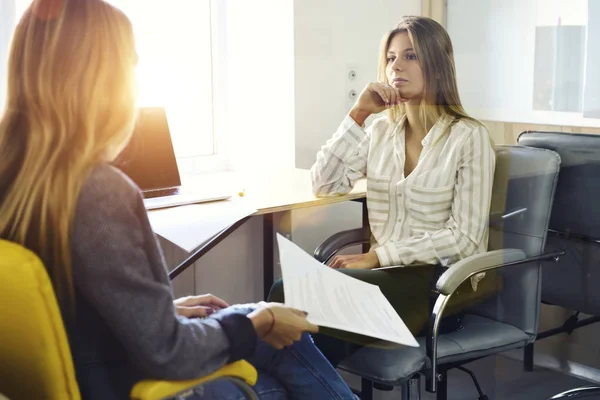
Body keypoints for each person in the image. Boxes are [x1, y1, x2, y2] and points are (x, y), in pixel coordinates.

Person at [0, 1, 357, 399]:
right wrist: (261, 321)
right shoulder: (97, 191)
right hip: (124, 383)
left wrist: (161, 313)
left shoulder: (17, 177)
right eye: (131, 64)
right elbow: (168, 355)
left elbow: (67, 315)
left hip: (82, 372)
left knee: (251, 329)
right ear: (102, 78)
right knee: (281, 359)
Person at [269, 16, 498, 365]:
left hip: (441, 284)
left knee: (291, 296)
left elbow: (464, 238)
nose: (396, 67)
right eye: (390, 58)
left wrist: (378, 256)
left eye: (410, 56)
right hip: (385, 277)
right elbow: (324, 184)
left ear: (436, 65)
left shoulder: (468, 137)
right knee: (296, 306)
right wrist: (358, 113)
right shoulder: (380, 132)